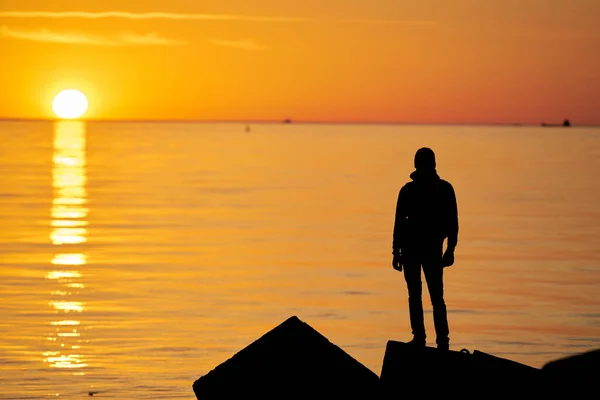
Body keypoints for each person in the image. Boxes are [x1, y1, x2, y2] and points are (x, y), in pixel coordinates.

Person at [392, 147, 458, 350]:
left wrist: (450, 249)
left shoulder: (444, 189)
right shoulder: (407, 190)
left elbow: (452, 223)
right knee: (418, 295)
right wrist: (396, 251)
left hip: (431, 250)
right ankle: (420, 338)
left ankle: (442, 341)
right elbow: (399, 223)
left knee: (434, 297)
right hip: (412, 250)